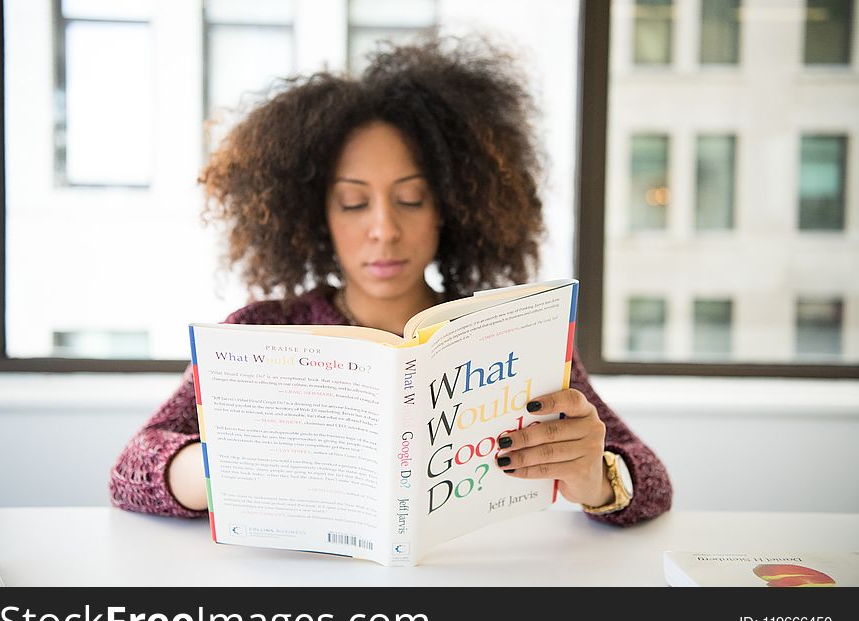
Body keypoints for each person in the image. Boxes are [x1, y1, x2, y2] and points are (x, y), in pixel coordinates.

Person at [109, 36, 672, 527]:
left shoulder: (509, 335)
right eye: (354, 202)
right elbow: (131, 469)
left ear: (449, 207)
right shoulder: (260, 331)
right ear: (316, 215)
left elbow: (651, 481)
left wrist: (595, 476)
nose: (384, 229)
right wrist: (219, 471)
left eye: (411, 198)